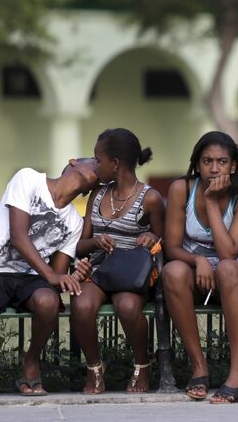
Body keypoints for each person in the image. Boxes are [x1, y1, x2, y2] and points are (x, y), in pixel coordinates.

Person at [0, 157, 99, 397]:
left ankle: (31, 361)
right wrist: (52, 276)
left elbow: (56, 274)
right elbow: (18, 236)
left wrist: (71, 276)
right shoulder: (28, 178)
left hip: (32, 279)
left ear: (90, 189)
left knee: (49, 302)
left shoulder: (74, 223)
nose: (98, 163)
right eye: (94, 159)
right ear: (73, 162)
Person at [162, 131, 238, 404]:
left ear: (233, 166)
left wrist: (213, 202)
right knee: (173, 271)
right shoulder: (182, 189)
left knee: (226, 268)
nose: (214, 168)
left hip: (234, 276)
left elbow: (229, 252)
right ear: (196, 164)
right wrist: (198, 260)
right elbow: (171, 248)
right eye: (206, 161)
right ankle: (199, 368)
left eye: (222, 161)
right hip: (197, 274)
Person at [71, 128, 165, 394]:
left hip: (131, 274)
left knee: (127, 306)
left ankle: (142, 365)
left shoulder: (150, 198)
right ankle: (95, 367)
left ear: (115, 163)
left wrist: (151, 236)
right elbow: (80, 245)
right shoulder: (97, 195)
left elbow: (165, 239)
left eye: (98, 159)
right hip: (101, 271)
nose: (95, 164)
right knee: (81, 304)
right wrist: (95, 242)